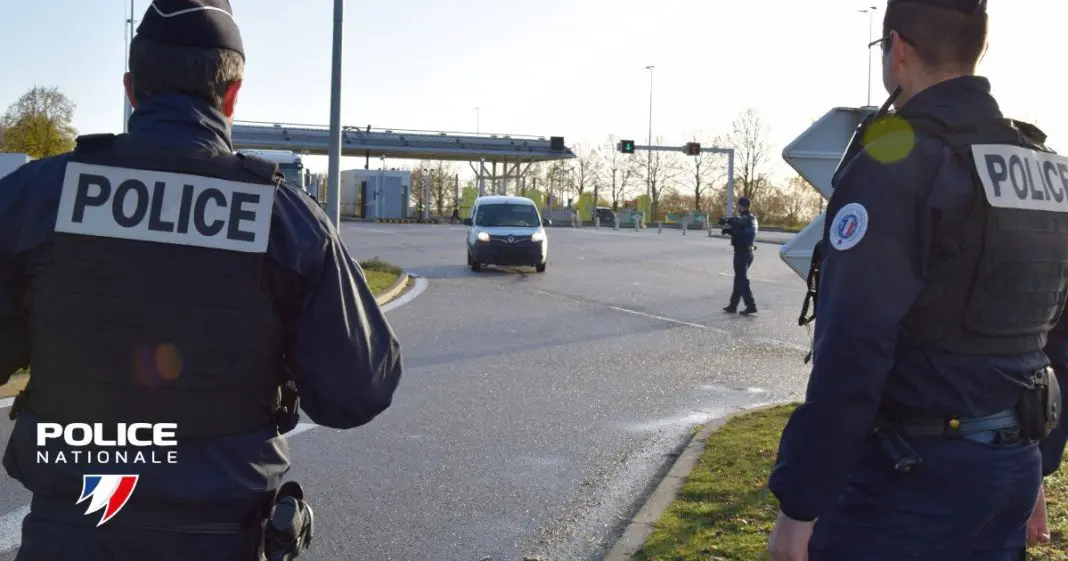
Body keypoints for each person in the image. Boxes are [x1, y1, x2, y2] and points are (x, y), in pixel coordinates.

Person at [0, 1, 403, 560]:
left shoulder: (31, 197)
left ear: (132, 88)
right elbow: (359, 391)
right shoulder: (285, 220)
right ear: (233, 94)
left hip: (63, 533)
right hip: (220, 540)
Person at [767, 0, 1067, 559]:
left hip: (908, 484)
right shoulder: (1044, 166)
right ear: (979, 48)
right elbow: (1054, 334)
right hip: (1009, 473)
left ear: (896, 49)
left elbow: (853, 351)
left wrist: (799, 506)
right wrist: (1038, 460)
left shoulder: (895, 162)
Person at [722, 196, 758, 316]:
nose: (737, 207)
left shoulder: (746, 218)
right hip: (748, 252)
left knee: (741, 280)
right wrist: (729, 230)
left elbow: (739, 221)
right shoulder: (752, 219)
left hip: (742, 253)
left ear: (741, 206)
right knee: (739, 278)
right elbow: (741, 231)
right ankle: (733, 305)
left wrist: (728, 220)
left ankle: (751, 306)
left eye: (738, 205)